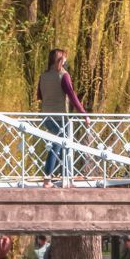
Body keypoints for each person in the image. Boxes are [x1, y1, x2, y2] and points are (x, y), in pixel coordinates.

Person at [37, 48, 91, 179]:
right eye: (65, 58)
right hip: (60, 117)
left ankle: (65, 176)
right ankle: (48, 177)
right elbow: (72, 96)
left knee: (63, 145)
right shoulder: (63, 75)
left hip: (46, 117)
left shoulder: (43, 76)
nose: (66, 61)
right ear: (60, 60)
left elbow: (39, 95)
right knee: (59, 144)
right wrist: (84, 114)